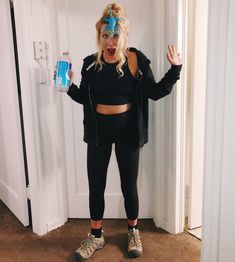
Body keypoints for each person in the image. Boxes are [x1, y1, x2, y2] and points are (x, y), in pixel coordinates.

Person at [64, 3, 182, 261]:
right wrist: (68, 86)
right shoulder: (89, 64)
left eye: (115, 35)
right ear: (99, 37)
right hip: (98, 134)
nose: (110, 41)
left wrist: (175, 70)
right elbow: (86, 98)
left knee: (129, 186)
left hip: (128, 132)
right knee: (96, 185)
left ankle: (133, 231)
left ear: (124, 36)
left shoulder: (135, 60)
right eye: (105, 35)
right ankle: (96, 236)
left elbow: (155, 92)